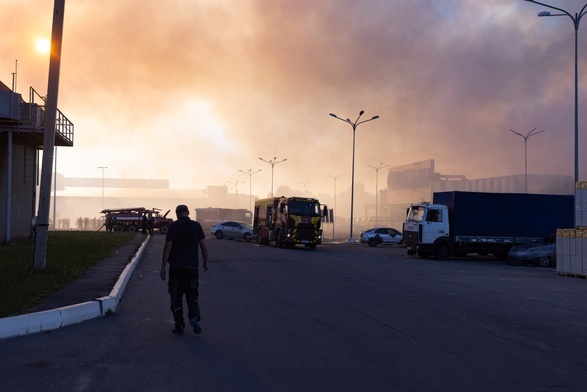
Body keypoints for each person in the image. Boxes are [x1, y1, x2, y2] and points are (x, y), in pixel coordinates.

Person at [160, 204, 209, 335]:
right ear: (187, 213)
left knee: (176, 297)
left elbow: (167, 247)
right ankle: (193, 317)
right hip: (192, 268)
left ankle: (179, 325)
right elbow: (203, 246)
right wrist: (205, 261)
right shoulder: (196, 226)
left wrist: (163, 266)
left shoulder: (173, 226)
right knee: (192, 294)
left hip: (176, 268)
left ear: (177, 214)